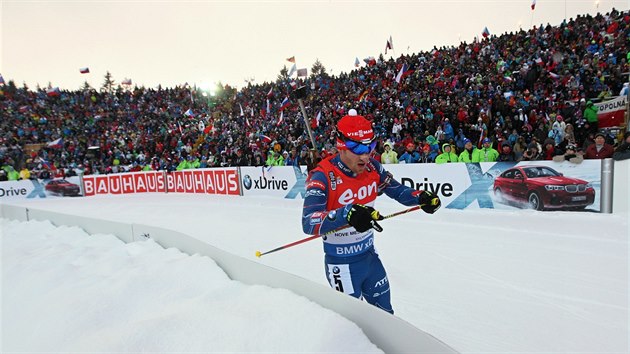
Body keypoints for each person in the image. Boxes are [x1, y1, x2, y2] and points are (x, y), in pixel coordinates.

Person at [301, 114, 441, 314]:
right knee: (354, 325)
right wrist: (347, 213)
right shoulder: (323, 176)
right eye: (358, 148)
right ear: (341, 145)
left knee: (385, 315)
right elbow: (308, 222)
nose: (365, 156)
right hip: (341, 264)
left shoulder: (373, 167)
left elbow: (398, 191)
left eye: (370, 147)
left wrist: (421, 197)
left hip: (369, 257)